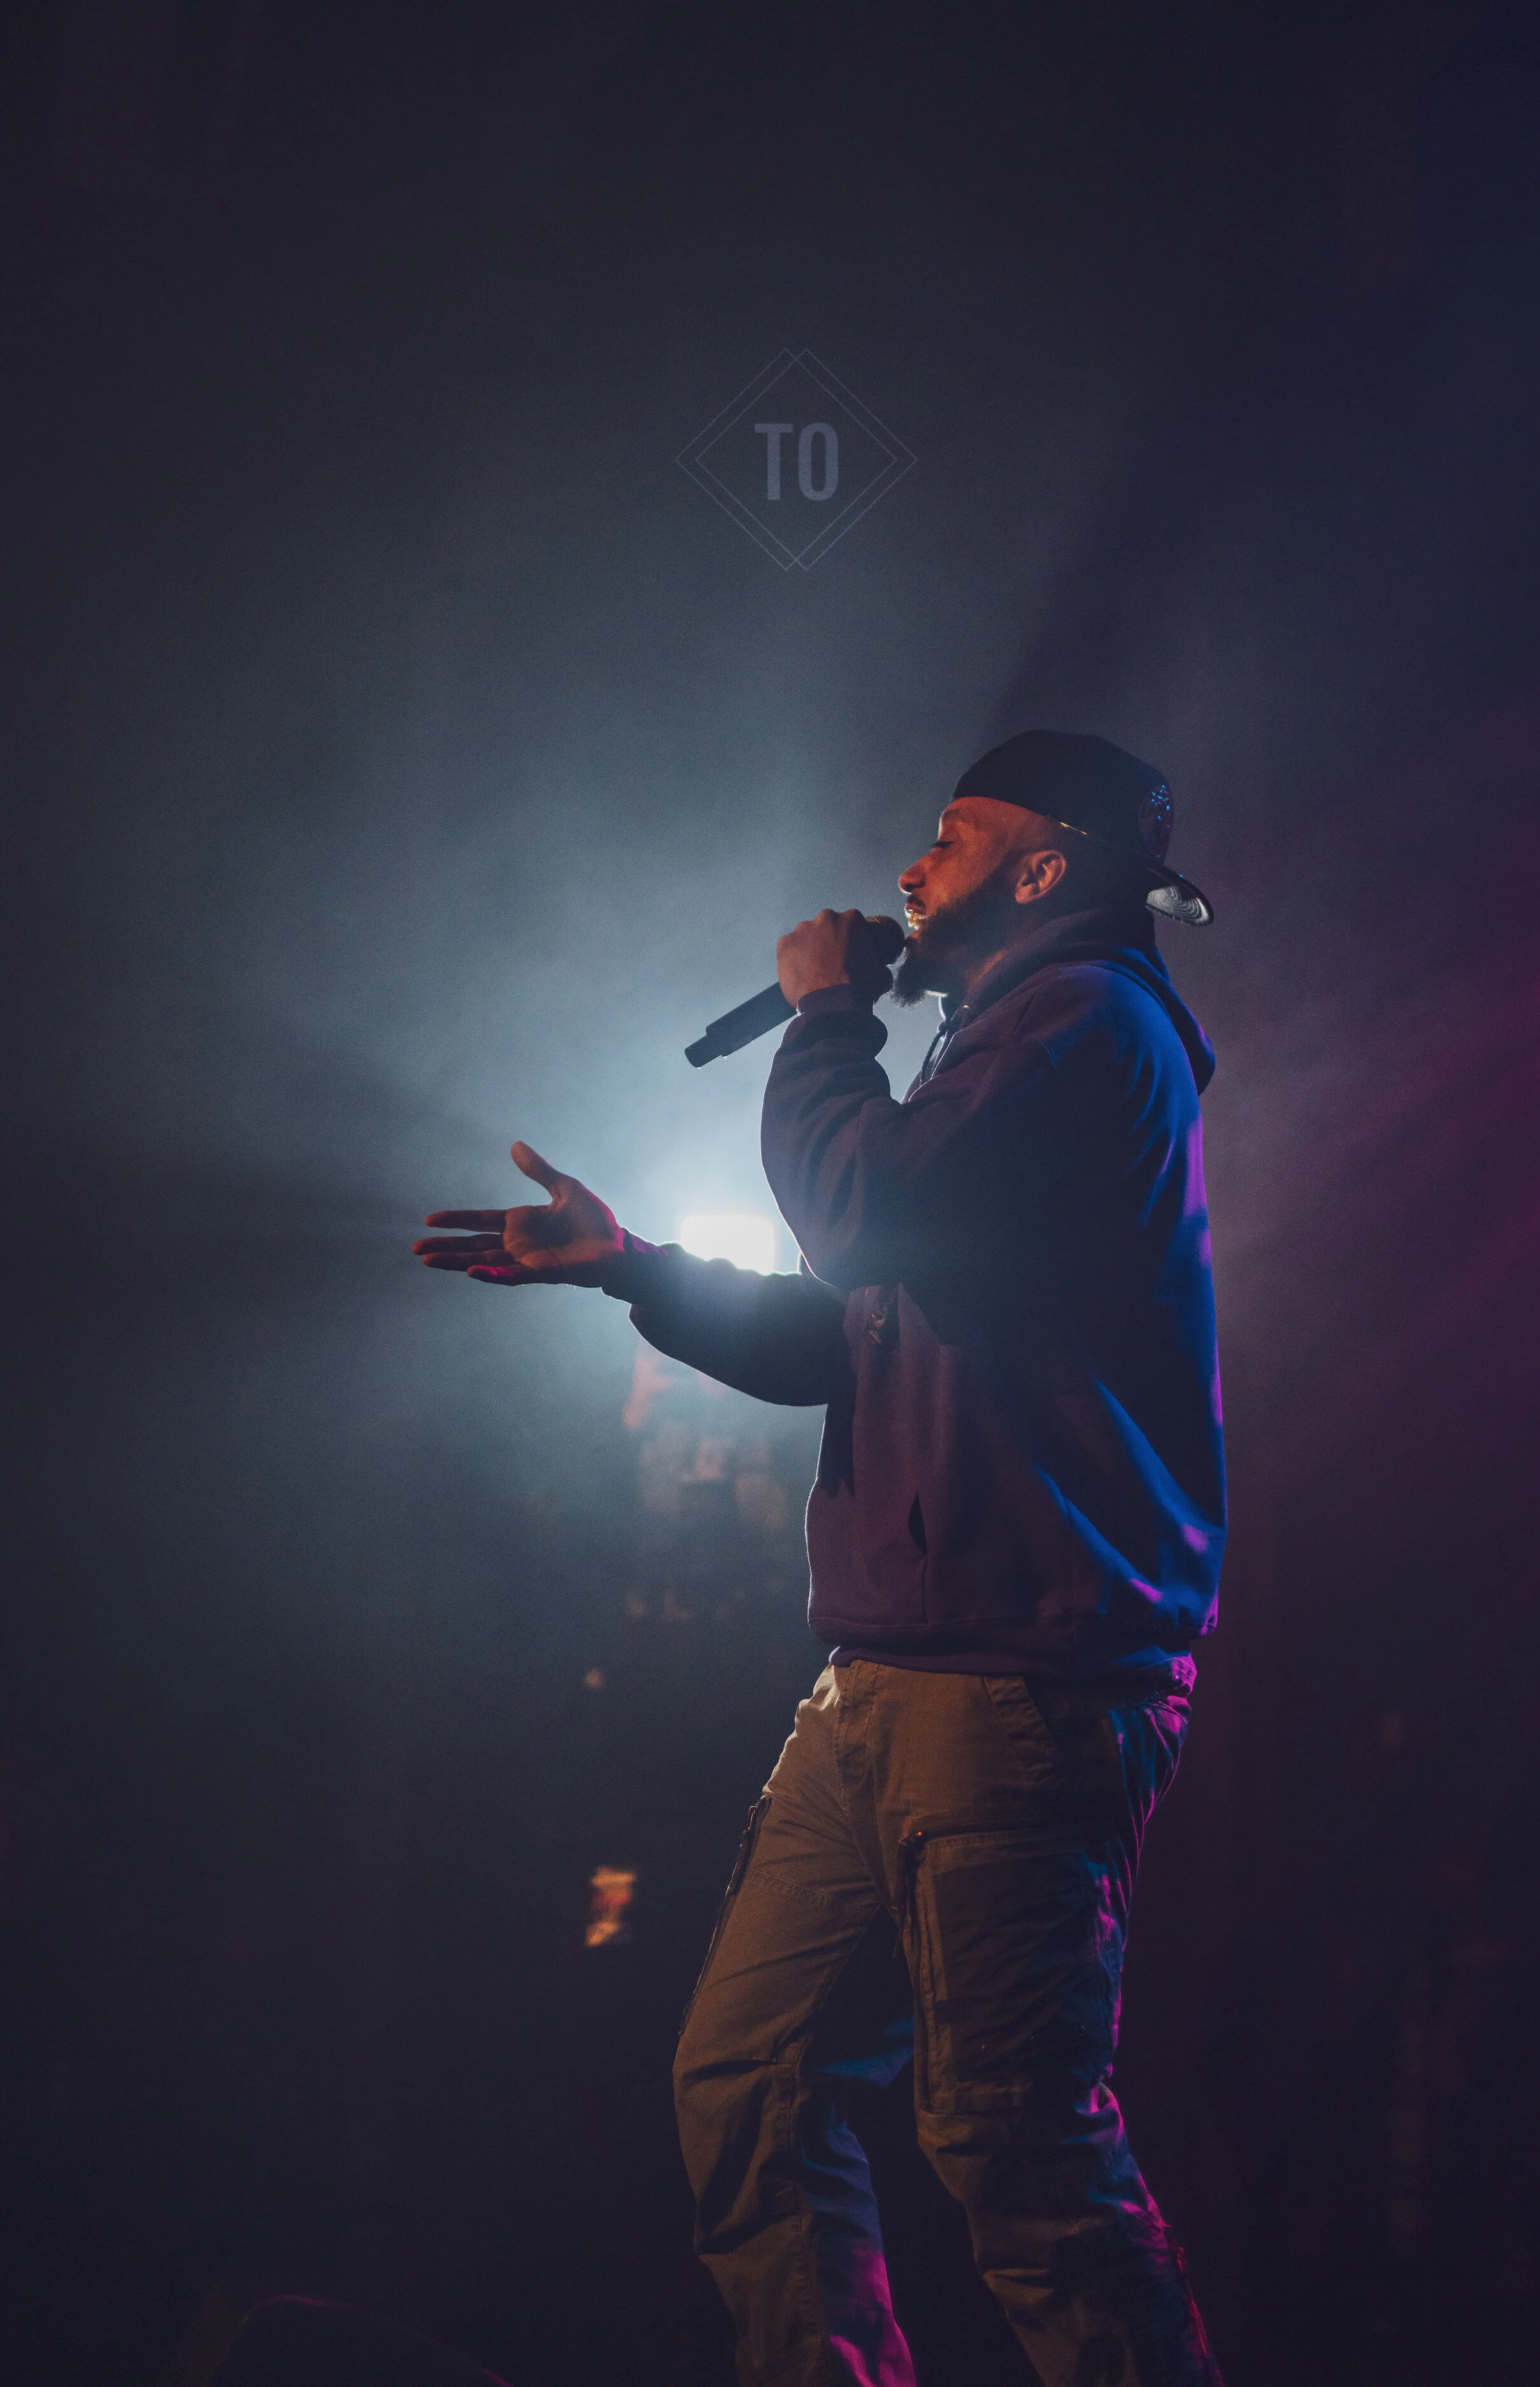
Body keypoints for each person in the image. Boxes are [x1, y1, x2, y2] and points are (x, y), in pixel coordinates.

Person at [414, 730, 1226, 2387]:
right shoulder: (1000, 1054)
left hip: (1019, 1670)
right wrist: (631, 1268)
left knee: (1017, 2145)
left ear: (1042, 868)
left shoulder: (1085, 1028)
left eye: (948, 834)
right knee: (752, 2079)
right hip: (897, 1665)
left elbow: (857, 1219)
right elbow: (842, 1329)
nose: (909, 869)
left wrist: (823, 1013)